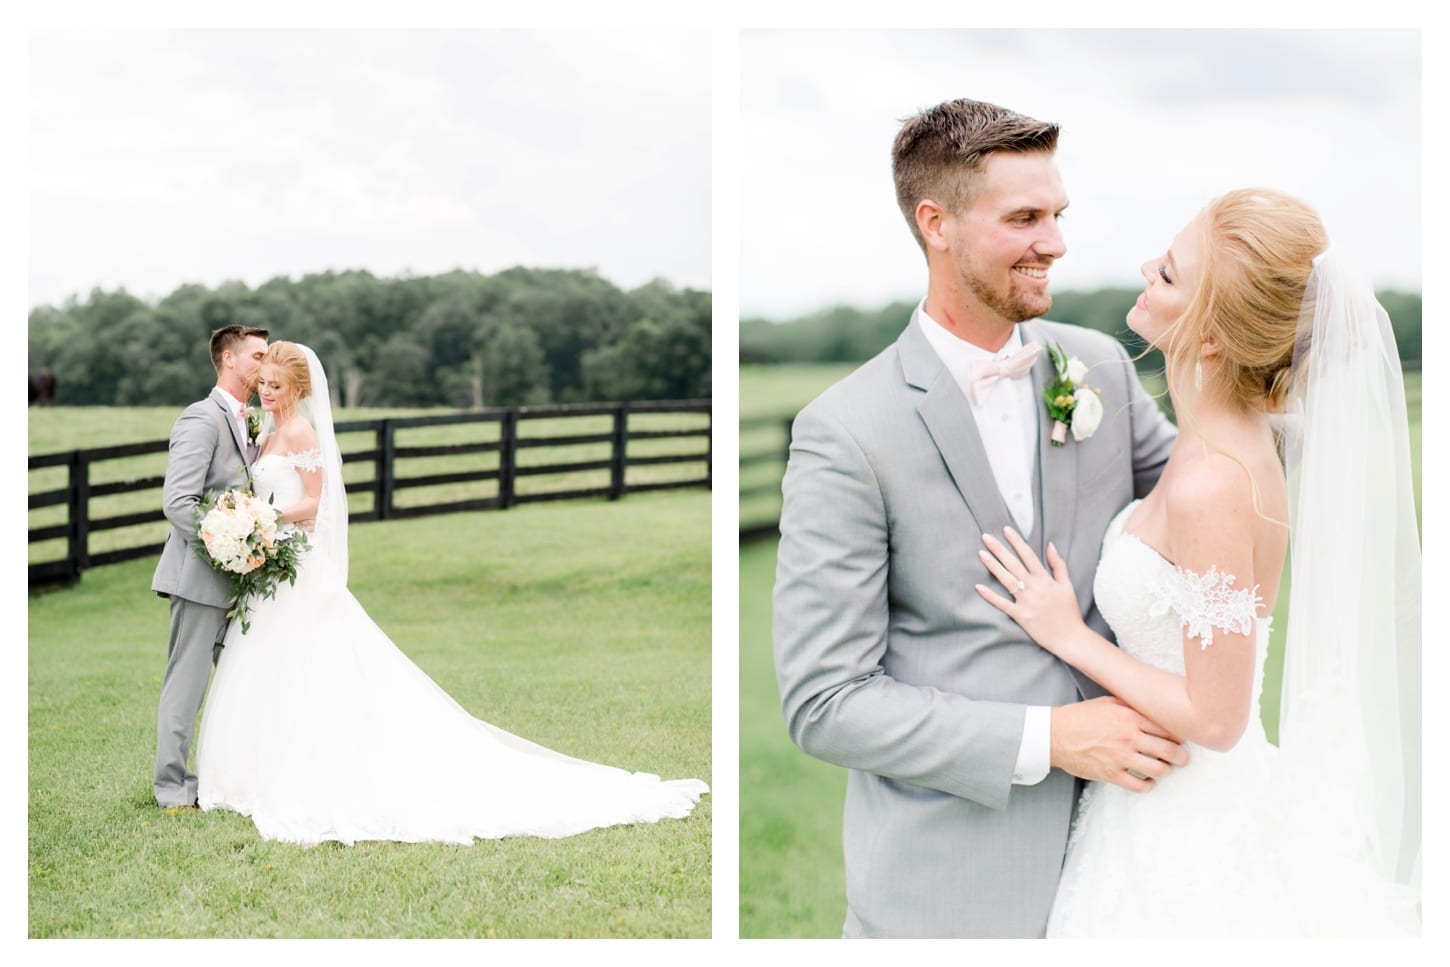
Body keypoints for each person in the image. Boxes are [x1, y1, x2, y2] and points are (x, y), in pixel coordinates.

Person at [771, 98, 1181, 938]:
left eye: (1058, 215)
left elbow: (1209, 504)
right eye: (1024, 218)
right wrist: (1051, 738)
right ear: (937, 224)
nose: (1056, 242)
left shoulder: (1095, 363)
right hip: (950, 887)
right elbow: (824, 699)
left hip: (1137, 855)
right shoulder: (846, 430)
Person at [977, 188, 1421, 935]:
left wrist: (1068, 633)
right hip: (1149, 806)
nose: (1149, 266)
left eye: (1173, 274)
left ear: (1212, 337)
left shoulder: (1216, 480)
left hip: (1186, 831)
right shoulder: (1215, 439)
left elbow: (1217, 716)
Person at [194, 341, 708, 844]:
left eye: (275, 385)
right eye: (262, 383)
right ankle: (260, 769)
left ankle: (318, 768)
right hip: (272, 566)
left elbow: (318, 503)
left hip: (294, 563)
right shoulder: (267, 430)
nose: (265, 391)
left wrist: (267, 517)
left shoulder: (302, 430)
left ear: (299, 388)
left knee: (311, 666)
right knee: (271, 665)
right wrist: (248, 521)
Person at [152, 325, 269, 809]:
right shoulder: (201, 419)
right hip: (201, 578)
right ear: (228, 359)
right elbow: (178, 503)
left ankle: (232, 777)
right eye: (258, 356)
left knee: (245, 681)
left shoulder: (252, 420)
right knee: (188, 684)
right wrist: (228, 545)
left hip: (243, 579)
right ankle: (171, 786)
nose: (266, 365)